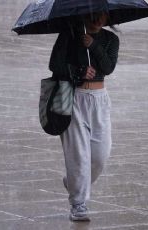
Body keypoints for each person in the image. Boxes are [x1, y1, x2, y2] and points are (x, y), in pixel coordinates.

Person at [49, 11, 119, 221]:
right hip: (73, 98)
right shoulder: (69, 34)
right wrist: (78, 71)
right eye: (93, 15)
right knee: (78, 154)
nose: (98, 20)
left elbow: (108, 67)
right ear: (84, 15)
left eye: (102, 16)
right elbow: (55, 64)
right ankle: (78, 204)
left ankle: (73, 182)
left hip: (99, 99)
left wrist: (93, 45)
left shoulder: (110, 39)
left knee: (100, 155)